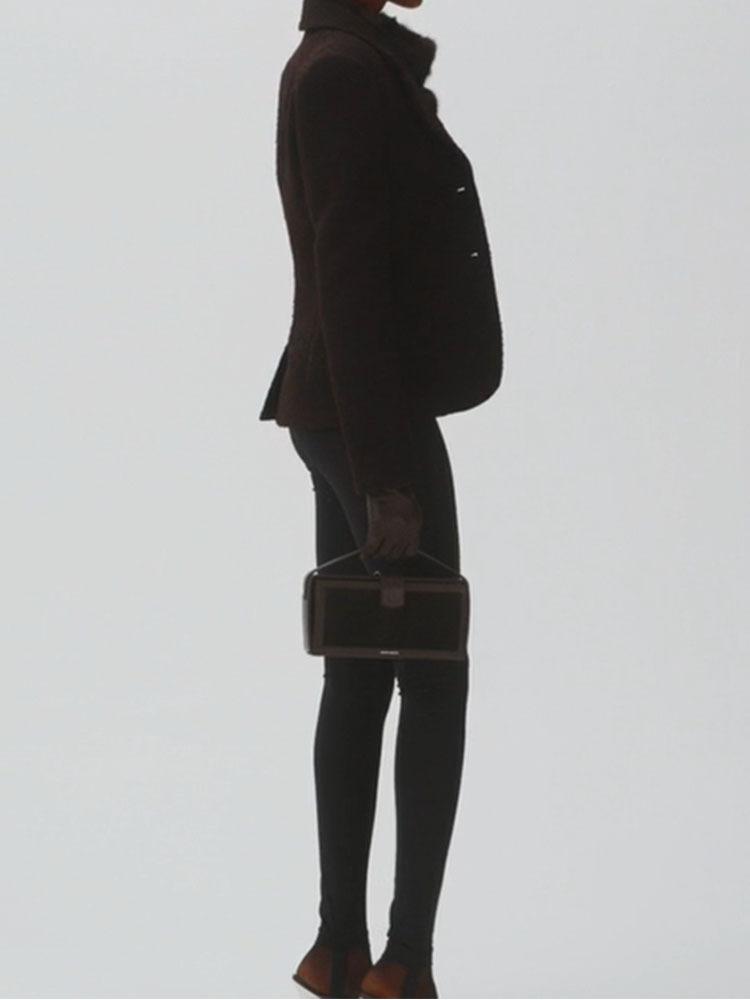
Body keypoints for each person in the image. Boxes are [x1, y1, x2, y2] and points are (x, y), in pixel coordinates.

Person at [259, 0, 504, 995]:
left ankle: (341, 952)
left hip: (346, 406)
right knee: (433, 671)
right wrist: (385, 475)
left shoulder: (340, 62)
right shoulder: (342, 73)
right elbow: (347, 275)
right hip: (370, 415)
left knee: (362, 669)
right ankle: (404, 966)